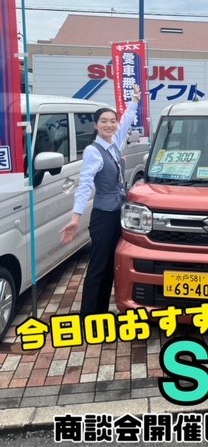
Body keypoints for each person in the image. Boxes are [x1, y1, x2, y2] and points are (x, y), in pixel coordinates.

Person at [60, 84, 142, 317]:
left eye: (112, 121)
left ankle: (101, 314)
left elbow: (126, 122)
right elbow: (85, 185)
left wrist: (135, 102)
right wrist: (76, 218)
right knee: (98, 267)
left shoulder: (114, 143)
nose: (110, 125)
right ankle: (89, 317)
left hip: (117, 213)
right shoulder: (93, 151)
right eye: (104, 121)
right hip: (103, 216)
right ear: (95, 125)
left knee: (110, 266)